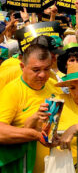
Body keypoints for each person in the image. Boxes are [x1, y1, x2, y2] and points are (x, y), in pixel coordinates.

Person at [0, 44, 62, 173]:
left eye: (47, 69)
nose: (42, 75)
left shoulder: (53, 85)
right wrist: (35, 135)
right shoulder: (12, 90)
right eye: (36, 70)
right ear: (22, 67)